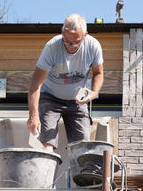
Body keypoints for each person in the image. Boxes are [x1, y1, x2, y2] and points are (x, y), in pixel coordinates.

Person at [27, 14, 104, 152]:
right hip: (50, 98)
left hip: (77, 101)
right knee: (47, 142)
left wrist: (94, 92)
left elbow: (98, 73)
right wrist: (33, 116)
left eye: (76, 42)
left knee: (82, 147)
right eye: (67, 41)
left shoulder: (93, 46)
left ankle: (79, 173)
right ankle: (46, 171)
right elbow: (35, 85)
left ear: (85, 35)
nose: (71, 46)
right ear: (62, 33)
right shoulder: (52, 48)